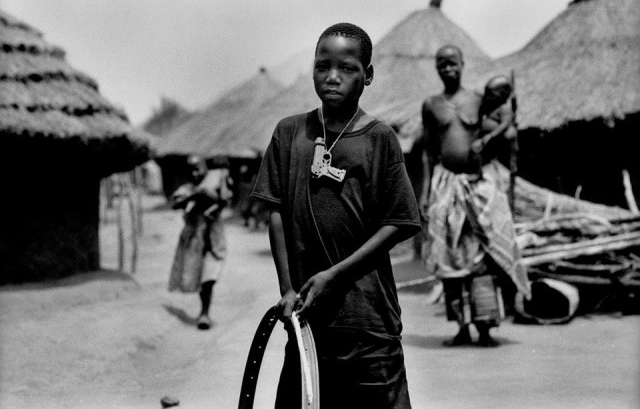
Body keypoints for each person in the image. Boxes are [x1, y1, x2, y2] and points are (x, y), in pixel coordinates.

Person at [251, 23, 421, 408]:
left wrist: (334, 275)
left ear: (368, 75)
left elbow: (400, 222)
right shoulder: (290, 133)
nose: (332, 76)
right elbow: (274, 210)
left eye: (346, 68)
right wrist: (286, 289)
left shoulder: (379, 139)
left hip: (366, 318)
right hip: (306, 316)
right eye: (322, 65)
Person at [419, 46, 530, 347]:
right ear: (437, 68)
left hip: (479, 186)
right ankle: (461, 328)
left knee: (481, 256)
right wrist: (425, 194)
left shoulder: (479, 101)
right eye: (442, 64)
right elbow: (429, 153)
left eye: (453, 63)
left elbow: (503, 121)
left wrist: (497, 132)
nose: (448, 69)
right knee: (450, 256)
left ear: (462, 64)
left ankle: (484, 327)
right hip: (446, 187)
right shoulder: (431, 105)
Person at [168, 155, 233, 330]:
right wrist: (194, 196)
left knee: (209, 277)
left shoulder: (216, 182)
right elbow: (175, 203)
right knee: (197, 274)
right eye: (191, 170)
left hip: (213, 237)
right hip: (194, 239)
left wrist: (214, 200)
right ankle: (203, 312)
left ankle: (204, 313)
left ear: (206, 169)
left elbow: (225, 199)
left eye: (198, 169)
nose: (195, 173)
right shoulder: (188, 189)